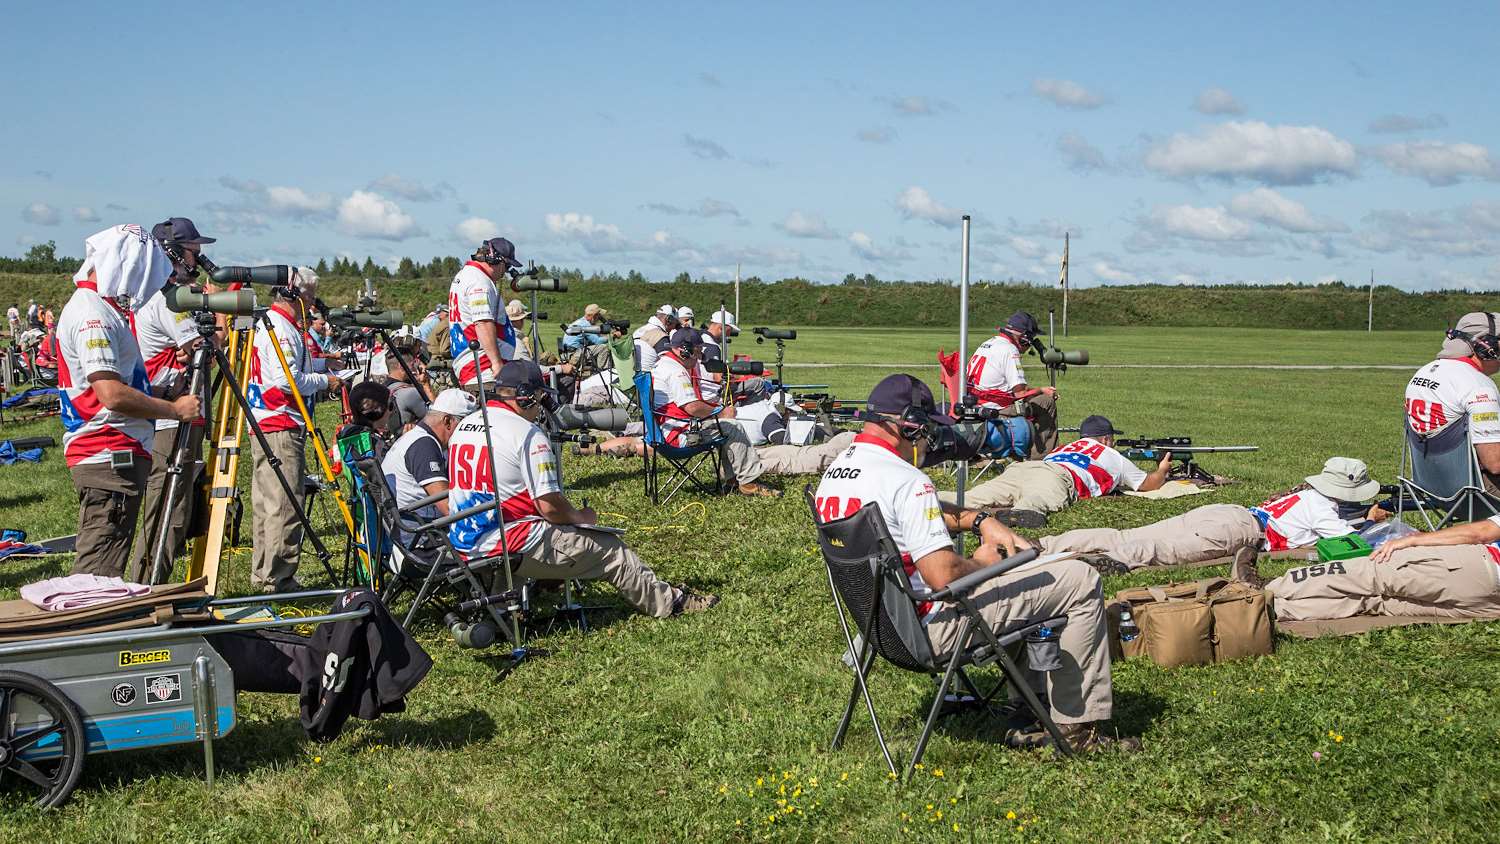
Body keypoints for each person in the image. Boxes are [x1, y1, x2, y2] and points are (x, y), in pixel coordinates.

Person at [813, 373, 1133, 751]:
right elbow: (942, 576)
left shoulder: (839, 471)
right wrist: (983, 562)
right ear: (909, 426)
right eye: (927, 428)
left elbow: (898, 514)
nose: (931, 439)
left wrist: (978, 519)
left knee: (1025, 575)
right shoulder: (906, 479)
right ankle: (1075, 730)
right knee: (1077, 579)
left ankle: (1028, 708)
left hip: (883, 629)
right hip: (933, 631)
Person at [447, 360, 718, 617]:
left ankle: (502, 613)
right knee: (613, 550)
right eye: (540, 397)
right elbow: (549, 506)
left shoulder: (464, 426)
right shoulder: (526, 434)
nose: (541, 405)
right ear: (524, 395)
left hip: (466, 539)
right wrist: (581, 518)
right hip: (507, 541)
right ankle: (670, 603)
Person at [57, 225, 200, 577]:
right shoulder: (94, 317)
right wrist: (174, 409)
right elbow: (110, 394)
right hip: (107, 453)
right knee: (99, 572)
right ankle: (92, 629)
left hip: (115, 451)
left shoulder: (100, 310)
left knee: (110, 558)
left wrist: (157, 394)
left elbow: (119, 384)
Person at [1041, 457, 1391, 572]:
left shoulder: (1310, 495)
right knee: (1159, 551)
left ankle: (1045, 544)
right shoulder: (1325, 510)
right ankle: (1098, 562)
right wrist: (1369, 522)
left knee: (1129, 533)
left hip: (1227, 512)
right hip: (1240, 530)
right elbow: (1349, 544)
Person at [127, 217, 217, 583]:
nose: (200, 259)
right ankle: (148, 586)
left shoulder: (165, 296)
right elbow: (203, 348)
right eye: (195, 251)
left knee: (176, 506)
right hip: (172, 418)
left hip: (177, 412)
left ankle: (153, 583)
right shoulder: (170, 300)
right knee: (167, 507)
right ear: (175, 253)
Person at [245, 266, 340, 593]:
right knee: (286, 502)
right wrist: (323, 381)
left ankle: (264, 572)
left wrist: (322, 366)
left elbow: (288, 368)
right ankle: (278, 578)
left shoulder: (270, 323)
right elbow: (286, 380)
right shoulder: (283, 328)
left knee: (267, 501)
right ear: (293, 295)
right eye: (310, 296)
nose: (313, 303)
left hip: (264, 420)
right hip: (280, 421)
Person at [1231, 514, 1500, 624]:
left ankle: (1266, 588)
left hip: (1482, 565)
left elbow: (1482, 533)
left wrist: (1414, 539)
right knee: (1375, 603)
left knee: (1371, 572)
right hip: (1487, 606)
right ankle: (1271, 611)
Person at [942, 415, 1169, 514]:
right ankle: (1014, 518)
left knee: (973, 497)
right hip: (1058, 476)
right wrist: (1162, 469)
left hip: (1026, 467)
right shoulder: (1113, 455)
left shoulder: (1067, 447)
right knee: (1033, 504)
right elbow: (1148, 484)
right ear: (1106, 439)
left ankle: (934, 500)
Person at [649, 329, 778, 497]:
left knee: (725, 427)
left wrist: (715, 410)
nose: (698, 357)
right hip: (678, 436)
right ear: (684, 350)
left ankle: (732, 480)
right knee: (733, 427)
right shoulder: (676, 372)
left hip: (662, 432)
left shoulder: (663, 364)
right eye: (697, 352)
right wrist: (721, 413)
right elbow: (692, 407)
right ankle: (748, 482)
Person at [1404, 311, 1500, 493]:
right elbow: (1494, 463)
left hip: (1429, 484)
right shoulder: (1480, 387)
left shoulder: (1422, 373)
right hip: (1470, 491)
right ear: (1488, 347)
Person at [966, 311, 1059, 458]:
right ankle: (1040, 459)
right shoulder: (1010, 350)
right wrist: (1042, 390)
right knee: (1047, 403)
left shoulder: (988, 343)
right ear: (1024, 338)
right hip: (995, 410)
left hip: (974, 406)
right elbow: (1020, 394)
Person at [381, 388, 475, 528]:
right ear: (447, 421)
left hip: (411, 528)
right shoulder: (424, 446)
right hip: (424, 536)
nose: (471, 432)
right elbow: (450, 508)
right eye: (466, 426)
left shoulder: (419, 436)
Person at [449, 237, 520, 389]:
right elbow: (483, 322)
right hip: (484, 369)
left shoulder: (467, 275)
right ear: (496, 260)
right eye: (506, 266)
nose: (505, 272)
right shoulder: (479, 282)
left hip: (475, 367)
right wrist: (496, 363)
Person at [384, 341, 431, 436]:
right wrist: (426, 385)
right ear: (402, 367)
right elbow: (437, 417)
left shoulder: (382, 389)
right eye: (413, 364)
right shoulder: (410, 393)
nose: (415, 368)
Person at [632, 304, 676, 373]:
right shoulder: (660, 335)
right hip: (648, 377)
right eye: (675, 323)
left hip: (634, 374)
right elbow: (670, 361)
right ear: (669, 320)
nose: (674, 327)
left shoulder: (638, 331)